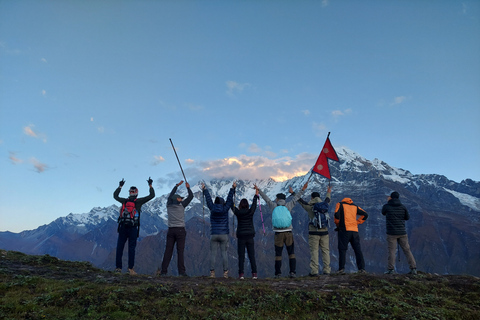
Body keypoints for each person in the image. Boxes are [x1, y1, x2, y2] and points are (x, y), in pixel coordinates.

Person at [256, 182, 308, 278]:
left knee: (278, 254)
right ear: (284, 199)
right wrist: (303, 189)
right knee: (291, 253)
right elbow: (296, 198)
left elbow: (266, 199)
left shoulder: (274, 206)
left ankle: (278, 274)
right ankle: (292, 272)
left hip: (278, 234)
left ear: (278, 199)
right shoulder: (288, 206)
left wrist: (259, 191)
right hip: (288, 233)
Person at [113, 177, 155, 275]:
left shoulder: (124, 201)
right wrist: (150, 185)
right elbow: (152, 195)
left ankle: (118, 268)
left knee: (120, 247)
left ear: (129, 192)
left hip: (123, 227)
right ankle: (131, 269)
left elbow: (115, 196)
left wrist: (120, 186)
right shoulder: (138, 202)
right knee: (131, 248)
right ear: (136, 193)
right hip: (133, 228)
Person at [158, 180, 193, 277]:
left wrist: (177, 186)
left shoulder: (168, 205)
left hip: (171, 230)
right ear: (176, 199)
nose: (181, 199)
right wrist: (188, 188)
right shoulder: (182, 206)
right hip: (180, 231)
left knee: (168, 251)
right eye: (179, 198)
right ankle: (181, 272)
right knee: (180, 251)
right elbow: (191, 197)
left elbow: (170, 196)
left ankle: (163, 271)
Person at [203, 181, 236, 278]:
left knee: (213, 254)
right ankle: (225, 273)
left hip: (214, 234)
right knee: (224, 253)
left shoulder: (212, 208)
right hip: (224, 234)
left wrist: (205, 189)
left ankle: (212, 272)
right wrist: (232, 188)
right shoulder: (225, 208)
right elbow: (230, 199)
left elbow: (208, 199)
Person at [298, 186, 332, 276]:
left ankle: (314, 271)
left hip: (313, 233)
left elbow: (301, 201)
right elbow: (328, 199)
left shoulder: (309, 206)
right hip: (324, 232)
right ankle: (327, 270)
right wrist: (328, 191)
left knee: (314, 251)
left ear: (312, 198)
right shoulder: (325, 205)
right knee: (325, 251)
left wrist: (293, 193)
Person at [382, 191, 417, 275]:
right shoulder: (403, 207)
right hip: (402, 232)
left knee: (392, 251)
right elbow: (407, 217)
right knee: (407, 250)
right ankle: (413, 268)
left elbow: (383, 213)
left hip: (391, 233)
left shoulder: (387, 206)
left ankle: (391, 269)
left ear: (391, 197)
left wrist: (389, 202)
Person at [334, 197, 368, 274]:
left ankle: (341, 269)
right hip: (354, 230)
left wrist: (338, 225)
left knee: (342, 249)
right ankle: (362, 268)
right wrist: (357, 222)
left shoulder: (340, 204)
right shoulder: (355, 206)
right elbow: (365, 214)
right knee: (357, 250)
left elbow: (336, 215)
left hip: (344, 230)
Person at [232, 188, 259, 280]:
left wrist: (232, 191)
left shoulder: (238, 213)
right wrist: (256, 195)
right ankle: (254, 274)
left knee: (241, 256)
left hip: (241, 236)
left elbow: (231, 206)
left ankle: (241, 274)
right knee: (252, 255)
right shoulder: (250, 212)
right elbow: (254, 205)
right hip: (250, 236)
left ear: (240, 205)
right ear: (247, 205)